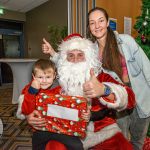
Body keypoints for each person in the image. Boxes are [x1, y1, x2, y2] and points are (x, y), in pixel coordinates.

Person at [42, 7, 150, 150]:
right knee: (122, 137)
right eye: (92, 23)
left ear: (107, 23)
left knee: (138, 139)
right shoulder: (91, 50)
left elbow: (147, 67)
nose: (97, 26)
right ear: (89, 27)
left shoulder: (126, 41)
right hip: (113, 97)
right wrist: (53, 53)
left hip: (139, 95)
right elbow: (72, 62)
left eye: (100, 21)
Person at [41, 33, 135, 149]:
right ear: (65, 59)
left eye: (80, 55)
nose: (75, 60)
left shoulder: (99, 77)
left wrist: (105, 90)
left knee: (123, 146)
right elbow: (41, 104)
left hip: (100, 128)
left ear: (88, 57)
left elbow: (130, 98)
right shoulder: (61, 81)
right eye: (71, 55)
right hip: (67, 132)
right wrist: (31, 115)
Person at [16, 59, 85, 150]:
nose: (44, 81)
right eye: (40, 77)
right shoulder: (29, 89)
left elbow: (70, 110)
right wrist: (32, 92)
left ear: (54, 76)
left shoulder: (60, 89)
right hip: (40, 129)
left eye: (48, 77)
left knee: (77, 146)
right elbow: (26, 111)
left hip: (61, 130)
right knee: (37, 146)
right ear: (33, 76)